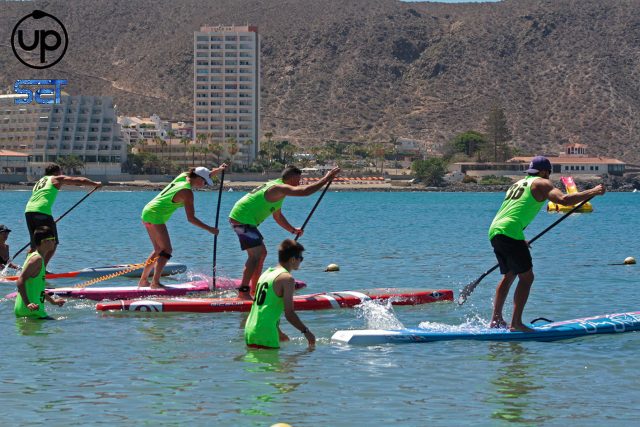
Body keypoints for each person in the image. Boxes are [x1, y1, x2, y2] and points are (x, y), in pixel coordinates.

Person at [488, 155, 606, 332]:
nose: (549, 177)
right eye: (548, 173)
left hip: (496, 230)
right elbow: (564, 200)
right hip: (510, 231)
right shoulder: (541, 183)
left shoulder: (518, 184)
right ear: (544, 172)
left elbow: (514, 211)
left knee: (510, 274)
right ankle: (516, 324)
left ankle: (496, 320)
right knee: (527, 277)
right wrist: (593, 192)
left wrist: (519, 239)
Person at [229, 165, 340, 298]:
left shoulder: (279, 192)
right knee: (255, 255)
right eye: (298, 180)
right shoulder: (278, 188)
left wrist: (293, 230)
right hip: (242, 219)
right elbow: (305, 192)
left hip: (245, 220)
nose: (299, 183)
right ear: (291, 178)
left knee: (261, 253)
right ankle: (243, 292)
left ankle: (253, 290)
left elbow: (278, 216)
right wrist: (326, 178)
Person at [138, 165, 226, 288]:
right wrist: (210, 229)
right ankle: (155, 283)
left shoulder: (184, 176)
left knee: (158, 249)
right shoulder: (187, 192)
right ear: (198, 178)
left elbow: (203, 173)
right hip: (155, 215)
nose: (205, 184)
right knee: (166, 250)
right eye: (204, 181)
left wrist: (219, 169)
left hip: (147, 211)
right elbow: (191, 219)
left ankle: (143, 281)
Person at [24, 163, 102, 266]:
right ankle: (41, 269)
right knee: (52, 242)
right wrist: (95, 184)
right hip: (42, 212)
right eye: (60, 172)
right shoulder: (55, 178)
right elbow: (78, 181)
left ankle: (26, 269)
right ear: (56, 172)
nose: (61, 174)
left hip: (29, 211)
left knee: (35, 244)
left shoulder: (40, 181)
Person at [244, 239, 315, 349]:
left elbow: (265, 307)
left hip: (250, 329)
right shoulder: (287, 279)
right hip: (266, 333)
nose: (301, 261)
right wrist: (306, 332)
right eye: (300, 258)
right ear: (292, 260)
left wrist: (278, 332)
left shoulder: (266, 274)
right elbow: (289, 314)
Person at [14, 226, 65, 319]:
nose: (55, 241)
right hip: (30, 312)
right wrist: (28, 303)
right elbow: (20, 281)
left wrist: (52, 301)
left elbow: (38, 288)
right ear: (44, 242)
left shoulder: (37, 257)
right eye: (52, 239)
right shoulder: (37, 259)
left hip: (33, 312)